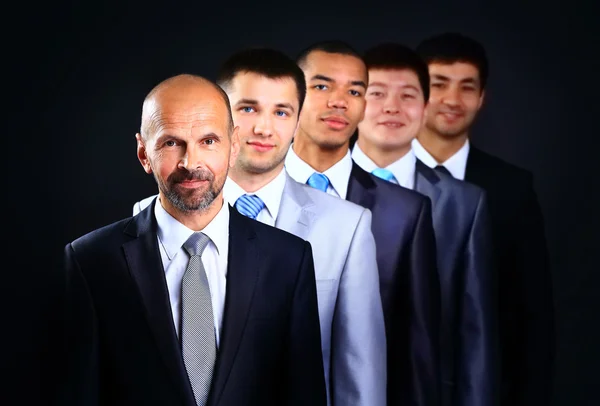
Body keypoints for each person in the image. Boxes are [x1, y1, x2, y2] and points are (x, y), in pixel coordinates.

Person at [134, 48, 387, 406]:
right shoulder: (145, 218)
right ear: (223, 121)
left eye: (282, 112)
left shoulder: (347, 225)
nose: (264, 128)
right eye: (248, 108)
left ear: (298, 121)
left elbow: (359, 367)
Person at [61, 74, 327, 406]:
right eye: (171, 143)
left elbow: (305, 392)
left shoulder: (289, 259)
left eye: (209, 141)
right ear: (144, 153)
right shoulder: (92, 260)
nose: (191, 163)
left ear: (233, 147)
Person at [285, 40, 441, 406]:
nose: (339, 101)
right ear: (291, 95)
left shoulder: (406, 212)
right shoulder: (241, 195)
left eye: (355, 90)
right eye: (322, 86)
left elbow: (417, 347)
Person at [353, 42, 498, 406]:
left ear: (425, 107)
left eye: (408, 95)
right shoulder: (318, 187)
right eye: (377, 93)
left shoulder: (464, 202)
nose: (392, 107)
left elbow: (474, 329)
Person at [415, 32, 554, 406]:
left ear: (481, 97)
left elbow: (533, 312)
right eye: (438, 84)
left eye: (466, 87)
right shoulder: (372, 174)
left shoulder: (512, 188)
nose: (452, 100)